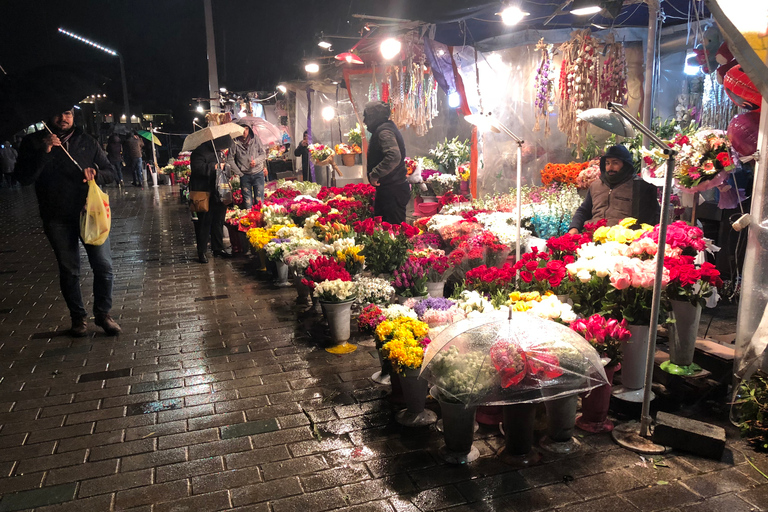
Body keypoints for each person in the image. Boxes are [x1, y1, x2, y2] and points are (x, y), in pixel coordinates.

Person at [13, 110, 120, 336]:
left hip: (89, 213)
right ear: (48, 116)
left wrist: (97, 174)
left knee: (104, 266)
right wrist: (45, 150)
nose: (64, 118)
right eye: (59, 114)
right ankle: (78, 318)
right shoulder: (33, 142)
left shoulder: (86, 141)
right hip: (56, 216)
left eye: (68, 113)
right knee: (69, 270)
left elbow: (111, 171)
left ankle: (103, 314)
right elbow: (24, 178)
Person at [568, 145, 660, 233]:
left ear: (626, 165)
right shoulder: (595, 185)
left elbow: (652, 220)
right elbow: (583, 210)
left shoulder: (640, 187)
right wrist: (574, 228)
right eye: (607, 163)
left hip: (623, 241)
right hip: (592, 236)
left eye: (615, 163)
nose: (610, 167)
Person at [363, 101, 410, 224]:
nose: (364, 121)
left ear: (374, 117)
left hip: (392, 192)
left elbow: (393, 156)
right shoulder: (385, 128)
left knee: (393, 233)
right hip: (391, 190)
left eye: (366, 117)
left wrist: (375, 174)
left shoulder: (384, 131)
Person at [190, 136, 233, 263]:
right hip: (204, 192)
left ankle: (217, 248)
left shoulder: (219, 152)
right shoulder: (199, 152)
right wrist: (214, 166)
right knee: (204, 223)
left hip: (219, 192)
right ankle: (202, 251)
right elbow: (197, 169)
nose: (224, 149)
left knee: (218, 221)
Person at [227, 123, 267, 208]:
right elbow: (230, 159)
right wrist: (239, 173)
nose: (244, 131)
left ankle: (260, 219)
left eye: (246, 129)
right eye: (242, 129)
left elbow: (263, 154)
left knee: (259, 202)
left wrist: (256, 161)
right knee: (247, 203)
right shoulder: (234, 142)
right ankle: (250, 219)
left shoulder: (255, 138)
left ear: (249, 129)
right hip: (244, 175)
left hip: (258, 173)